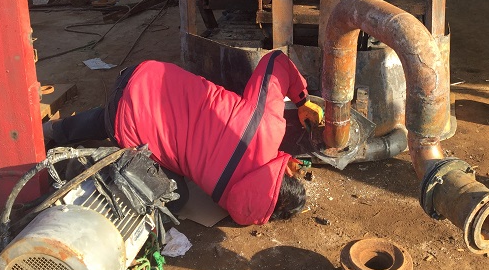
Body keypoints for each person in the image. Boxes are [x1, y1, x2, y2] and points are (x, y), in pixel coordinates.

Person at [43, 51, 324, 226]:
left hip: (142, 78)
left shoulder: (266, 126)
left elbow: (275, 60)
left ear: (286, 173)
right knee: (176, 198)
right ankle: (85, 160)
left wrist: (302, 100)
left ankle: (54, 131)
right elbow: (255, 194)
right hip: (123, 127)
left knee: (131, 110)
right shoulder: (232, 203)